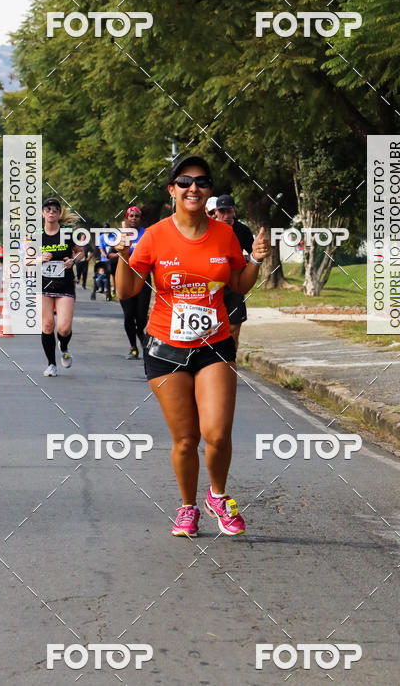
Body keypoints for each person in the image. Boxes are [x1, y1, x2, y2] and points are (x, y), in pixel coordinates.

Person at [116, 155, 270, 538]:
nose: (193, 188)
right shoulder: (154, 236)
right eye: (184, 182)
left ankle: (218, 495)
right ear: (172, 190)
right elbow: (128, 290)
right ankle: (187, 507)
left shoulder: (224, 234)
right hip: (166, 349)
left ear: (209, 192)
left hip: (214, 345)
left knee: (217, 433)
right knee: (185, 440)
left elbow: (237, 283)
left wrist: (256, 261)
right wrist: (122, 257)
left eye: (201, 182)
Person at [41, 197, 84, 377]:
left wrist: (72, 261)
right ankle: (51, 364)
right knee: (47, 325)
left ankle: (64, 346)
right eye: (48, 209)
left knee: (64, 328)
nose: (51, 212)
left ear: (59, 214)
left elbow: (81, 253)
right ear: (43, 212)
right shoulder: (36, 235)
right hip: (43, 285)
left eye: (55, 209)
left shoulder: (67, 233)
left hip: (64, 284)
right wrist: (38, 259)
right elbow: (25, 260)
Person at [215, 194, 254, 350]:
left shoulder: (242, 230)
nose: (225, 215)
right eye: (222, 211)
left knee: (233, 328)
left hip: (234, 284)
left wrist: (247, 261)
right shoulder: (208, 228)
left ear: (234, 211)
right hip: (213, 284)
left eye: (228, 211)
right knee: (211, 329)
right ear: (216, 212)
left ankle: (230, 361)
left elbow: (254, 254)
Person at [117, 206, 150, 359]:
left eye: (137, 216)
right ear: (127, 218)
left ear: (140, 218)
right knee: (129, 315)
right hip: (125, 278)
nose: (134, 218)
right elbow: (113, 251)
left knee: (142, 317)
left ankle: (140, 332)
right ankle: (133, 347)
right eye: (131, 215)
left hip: (143, 278)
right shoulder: (121, 234)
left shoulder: (148, 234)